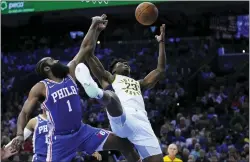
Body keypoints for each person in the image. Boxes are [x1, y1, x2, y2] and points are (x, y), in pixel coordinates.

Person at [11, 14, 139, 162]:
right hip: (60, 140)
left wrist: (94, 25)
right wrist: (20, 134)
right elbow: (24, 112)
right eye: (53, 60)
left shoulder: (70, 72)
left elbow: (86, 47)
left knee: (123, 142)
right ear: (47, 68)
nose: (57, 60)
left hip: (82, 131)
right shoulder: (41, 87)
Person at [75, 24, 166, 162]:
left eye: (127, 63)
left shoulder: (139, 84)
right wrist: (96, 31)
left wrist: (161, 43)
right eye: (121, 63)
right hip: (122, 117)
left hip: (142, 122)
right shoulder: (109, 78)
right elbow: (89, 54)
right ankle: (97, 92)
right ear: (113, 69)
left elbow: (160, 70)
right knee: (112, 97)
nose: (125, 64)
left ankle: (99, 94)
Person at [7, 108, 102, 161]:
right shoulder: (34, 121)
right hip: (40, 158)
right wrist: (5, 149)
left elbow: (75, 139)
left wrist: (90, 149)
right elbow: (19, 138)